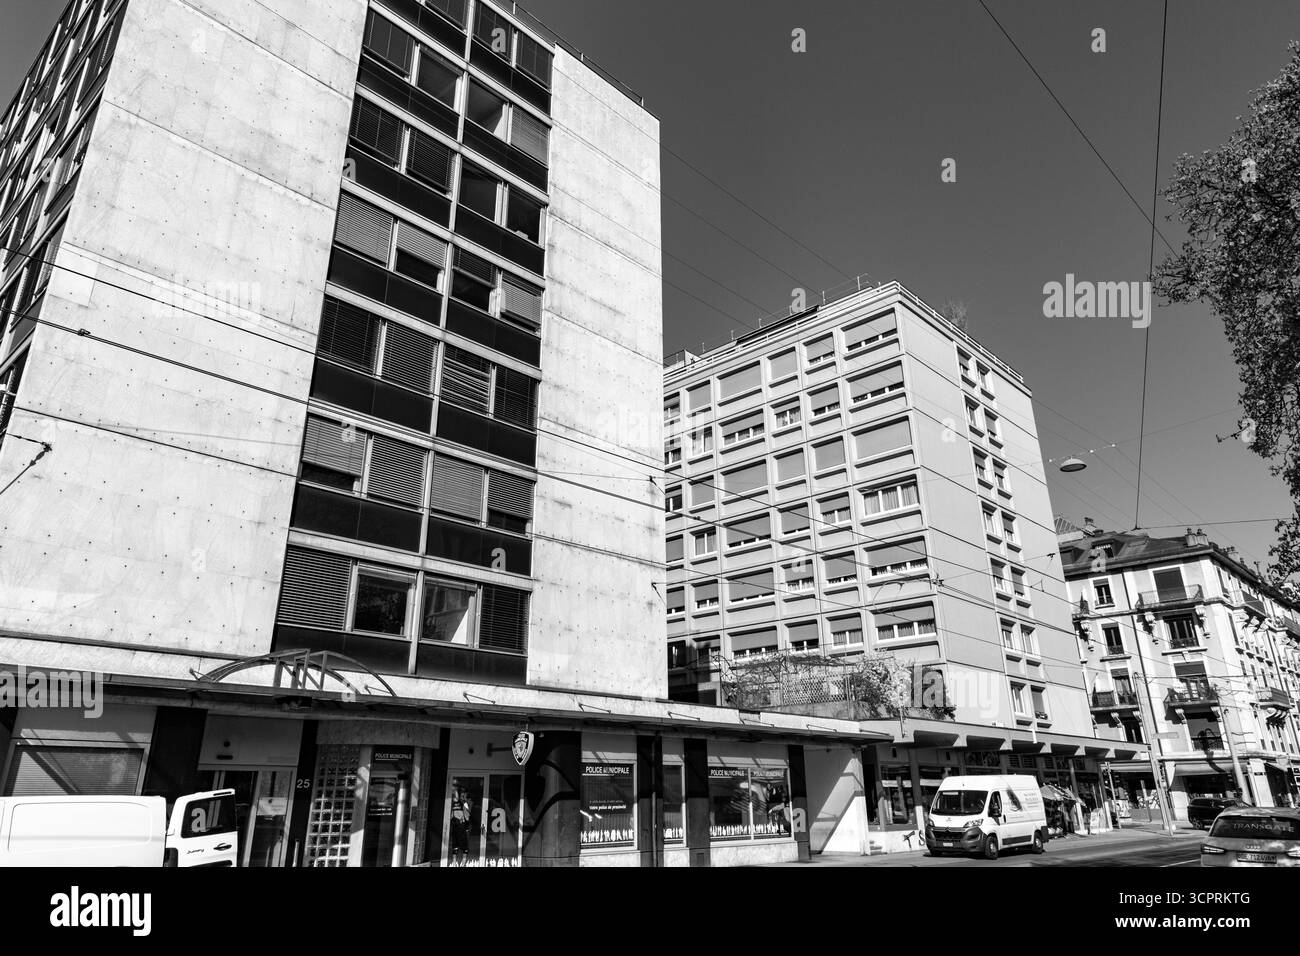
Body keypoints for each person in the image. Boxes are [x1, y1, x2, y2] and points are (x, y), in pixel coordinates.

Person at [449, 784, 472, 866]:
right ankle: (455, 861)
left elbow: (467, 817)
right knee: (455, 843)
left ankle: (463, 860)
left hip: (461, 826)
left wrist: (466, 826)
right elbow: (452, 814)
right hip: (456, 825)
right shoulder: (455, 803)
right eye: (461, 794)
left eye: (463, 794)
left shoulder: (464, 803)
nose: (462, 796)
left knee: (463, 844)